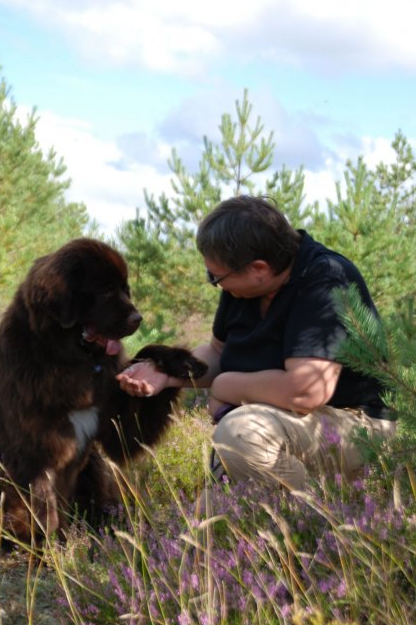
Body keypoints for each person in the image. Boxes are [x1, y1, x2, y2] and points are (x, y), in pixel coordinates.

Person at [116, 195, 396, 492]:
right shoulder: (244, 288)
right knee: (203, 530)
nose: (214, 281)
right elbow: (218, 352)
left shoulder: (325, 280)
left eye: (216, 276)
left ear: (258, 269)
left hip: (356, 422)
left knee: (241, 434)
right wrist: (167, 372)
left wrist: (224, 387)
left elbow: (306, 391)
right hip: (287, 418)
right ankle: (272, 512)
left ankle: (319, 517)